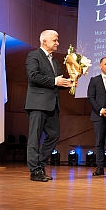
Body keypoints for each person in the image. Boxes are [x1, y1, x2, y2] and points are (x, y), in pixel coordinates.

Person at [24, 30, 73, 182]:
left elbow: (56, 83)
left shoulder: (56, 61)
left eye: (57, 40)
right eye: (55, 40)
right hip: (37, 104)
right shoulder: (34, 55)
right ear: (44, 41)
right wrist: (54, 81)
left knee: (54, 135)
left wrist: (67, 83)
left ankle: (39, 165)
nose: (57, 43)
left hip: (52, 105)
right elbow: (33, 76)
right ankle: (35, 171)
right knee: (34, 138)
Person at [87, 57, 106, 177]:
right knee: (99, 142)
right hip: (99, 116)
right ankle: (100, 168)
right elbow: (91, 98)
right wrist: (101, 110)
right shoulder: (94, 80)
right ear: (100, 66)